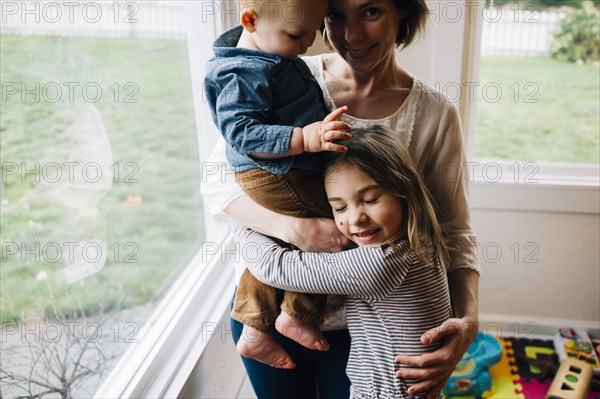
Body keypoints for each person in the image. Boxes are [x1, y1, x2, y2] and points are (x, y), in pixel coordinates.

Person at [201, 0, 480, 397]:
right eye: (335, 17)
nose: (351, 35)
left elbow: (453, 232)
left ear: (402, 12)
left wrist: (467, 322)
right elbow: (217, 182)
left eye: (370, 12)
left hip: (365, 334)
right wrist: (296, 230)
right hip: (265, 312)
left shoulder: (434, 113)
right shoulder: (283, 70)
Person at [239, 125, 452, 398]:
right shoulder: (423, 244)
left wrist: (246, 225)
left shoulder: (382, 265)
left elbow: (276, 267)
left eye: (371, 199)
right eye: (340, 208)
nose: (355, 218)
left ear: (404, 190)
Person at [203, 0, 353, 370]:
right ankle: (297, 315)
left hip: (285, 171)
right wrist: (304, 138)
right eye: (296, 34)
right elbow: (241, 132)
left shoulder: (275, 57)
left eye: (314, 31)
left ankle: (255, 329)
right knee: (332, 229)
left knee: (281, 243)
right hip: (275, 173)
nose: (307, 44)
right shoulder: (241, 71)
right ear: (250, 20)